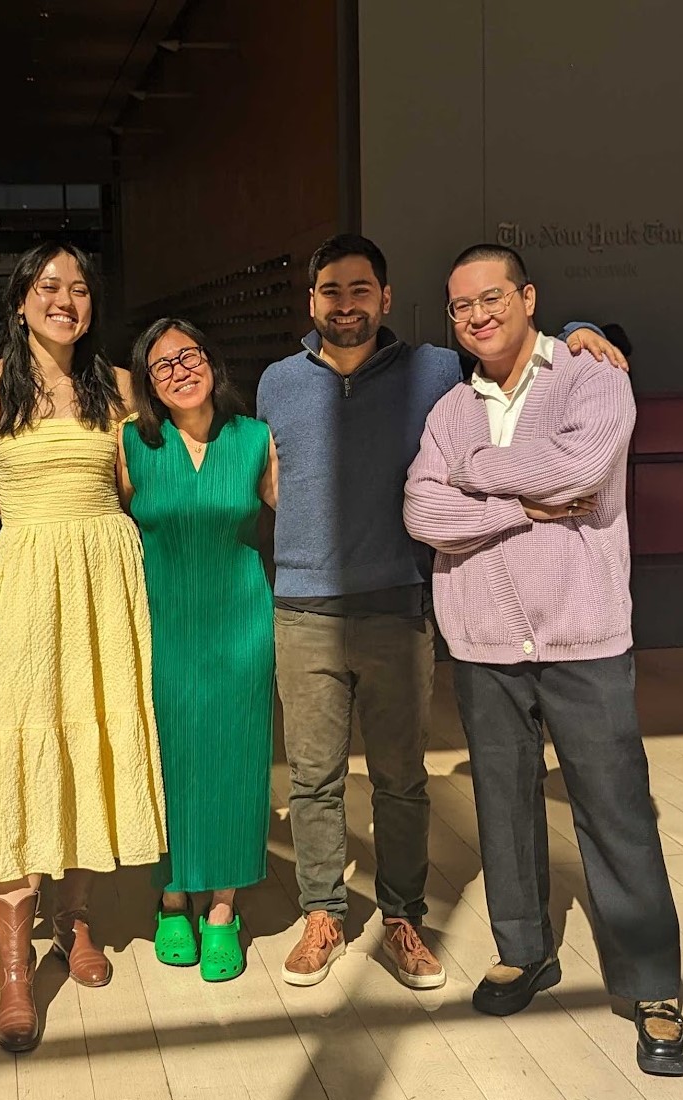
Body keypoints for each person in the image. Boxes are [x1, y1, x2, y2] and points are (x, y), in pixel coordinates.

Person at [257, 232, 625, 990]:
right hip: (301, 606)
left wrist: (587, 333)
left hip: (399, 605)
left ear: (385, 299)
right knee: (314, 777)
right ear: (312, 302)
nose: (346, 304)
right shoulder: (276, 382)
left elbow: (515, 353)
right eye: (331, 290)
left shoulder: (434, 369)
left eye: (362, 290)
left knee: (400, 777)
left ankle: (402, 915)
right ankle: (323, 911)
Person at [403, 243, 683, 1077]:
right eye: (460, 307)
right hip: (483, 639)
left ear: (528, 297)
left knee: (615, 809)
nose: (476, 317)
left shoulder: (592, 375)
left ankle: (652, 985)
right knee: (503, 803)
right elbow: (424, 509)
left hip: (583, 636)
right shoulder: (451, 409)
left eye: (490, 298)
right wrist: (523, 508)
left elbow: (581, 468)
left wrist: (477, 479)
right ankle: (523, 948)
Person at [0, 242, 167, 1052]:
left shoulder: (116, 389)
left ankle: (74, 922)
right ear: (19, 301)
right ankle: (14, 969)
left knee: (90, 742)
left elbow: (145, 483)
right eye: (49, 287)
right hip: (23, 582)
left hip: (105, 581)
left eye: (79, 288)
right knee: (16, 746)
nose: (65, 300)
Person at [119, 318, 278, 982]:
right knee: (172, 762)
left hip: (241, 623)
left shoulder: (256, 440)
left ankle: (222, 908)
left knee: (236, 764)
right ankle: (171, 896)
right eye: (162, 365)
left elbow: (297, 521)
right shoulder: (132, 444)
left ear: (212, 362)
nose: (180, 369)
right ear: (148, 385)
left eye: (190, 355)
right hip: (163, 627)